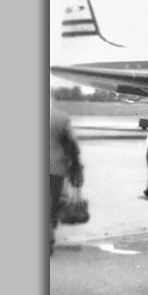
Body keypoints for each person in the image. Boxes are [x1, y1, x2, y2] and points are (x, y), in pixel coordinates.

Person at [50, 100, 83, 256]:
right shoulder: (61, 118)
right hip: (56, 168)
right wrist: (76, 164)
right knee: (52, 201)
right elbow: (71, 143)